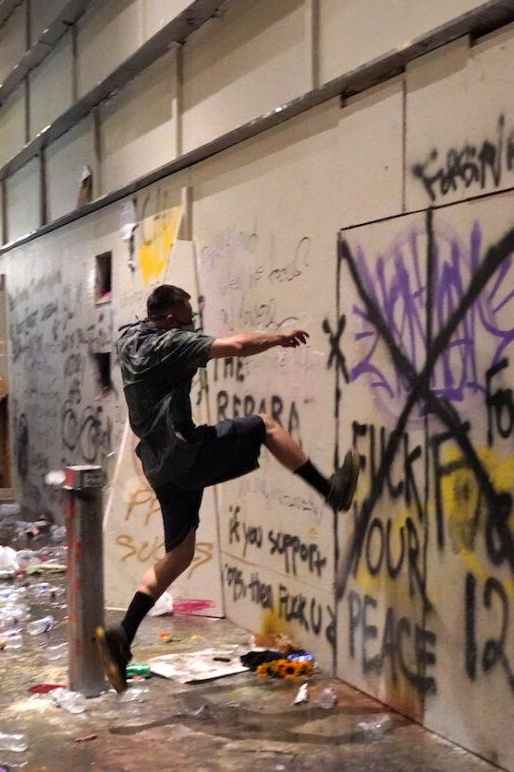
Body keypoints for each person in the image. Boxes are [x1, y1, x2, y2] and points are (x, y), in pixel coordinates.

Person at [94, 284, 361, 692]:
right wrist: (278, 337)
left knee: (180, 554)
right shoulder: (171, 343)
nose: (191, 324)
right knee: (265, 426)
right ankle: (331, 490)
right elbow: (235, 345)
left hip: (159, 465)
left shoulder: (131, 337)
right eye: (187, 317)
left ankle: (123, 636)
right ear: (169, 319)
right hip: (187, 454)